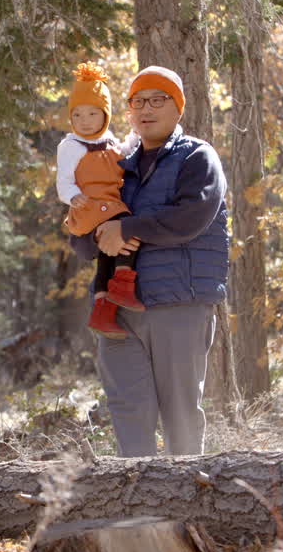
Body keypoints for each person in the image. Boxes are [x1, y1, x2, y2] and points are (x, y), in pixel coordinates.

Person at [71, 66, 229, 457]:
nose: (146, 109)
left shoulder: (197, 157)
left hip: (178, 303)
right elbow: (84, 245)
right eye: (137, 102)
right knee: (128, 411)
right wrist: (91, 232)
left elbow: (192, 217)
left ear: (177, 109)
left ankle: (188, 506)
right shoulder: (116, 164)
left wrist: (127, 229)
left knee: (180, 416)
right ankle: (141, 511)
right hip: (116, 310)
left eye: (157, 100)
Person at [55, 62, 143, 339]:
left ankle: (103, 311)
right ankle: (124, 283)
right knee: (127, 228)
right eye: (78, 114)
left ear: (105, 114)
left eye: (93, 113)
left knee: (108, 251)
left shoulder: (108, 141)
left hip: (107, 207)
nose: (85, 120)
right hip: (90, 206)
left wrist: (136, 134)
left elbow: (125, 152)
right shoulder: (71, 146)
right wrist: (72, 196)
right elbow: (63, 180)